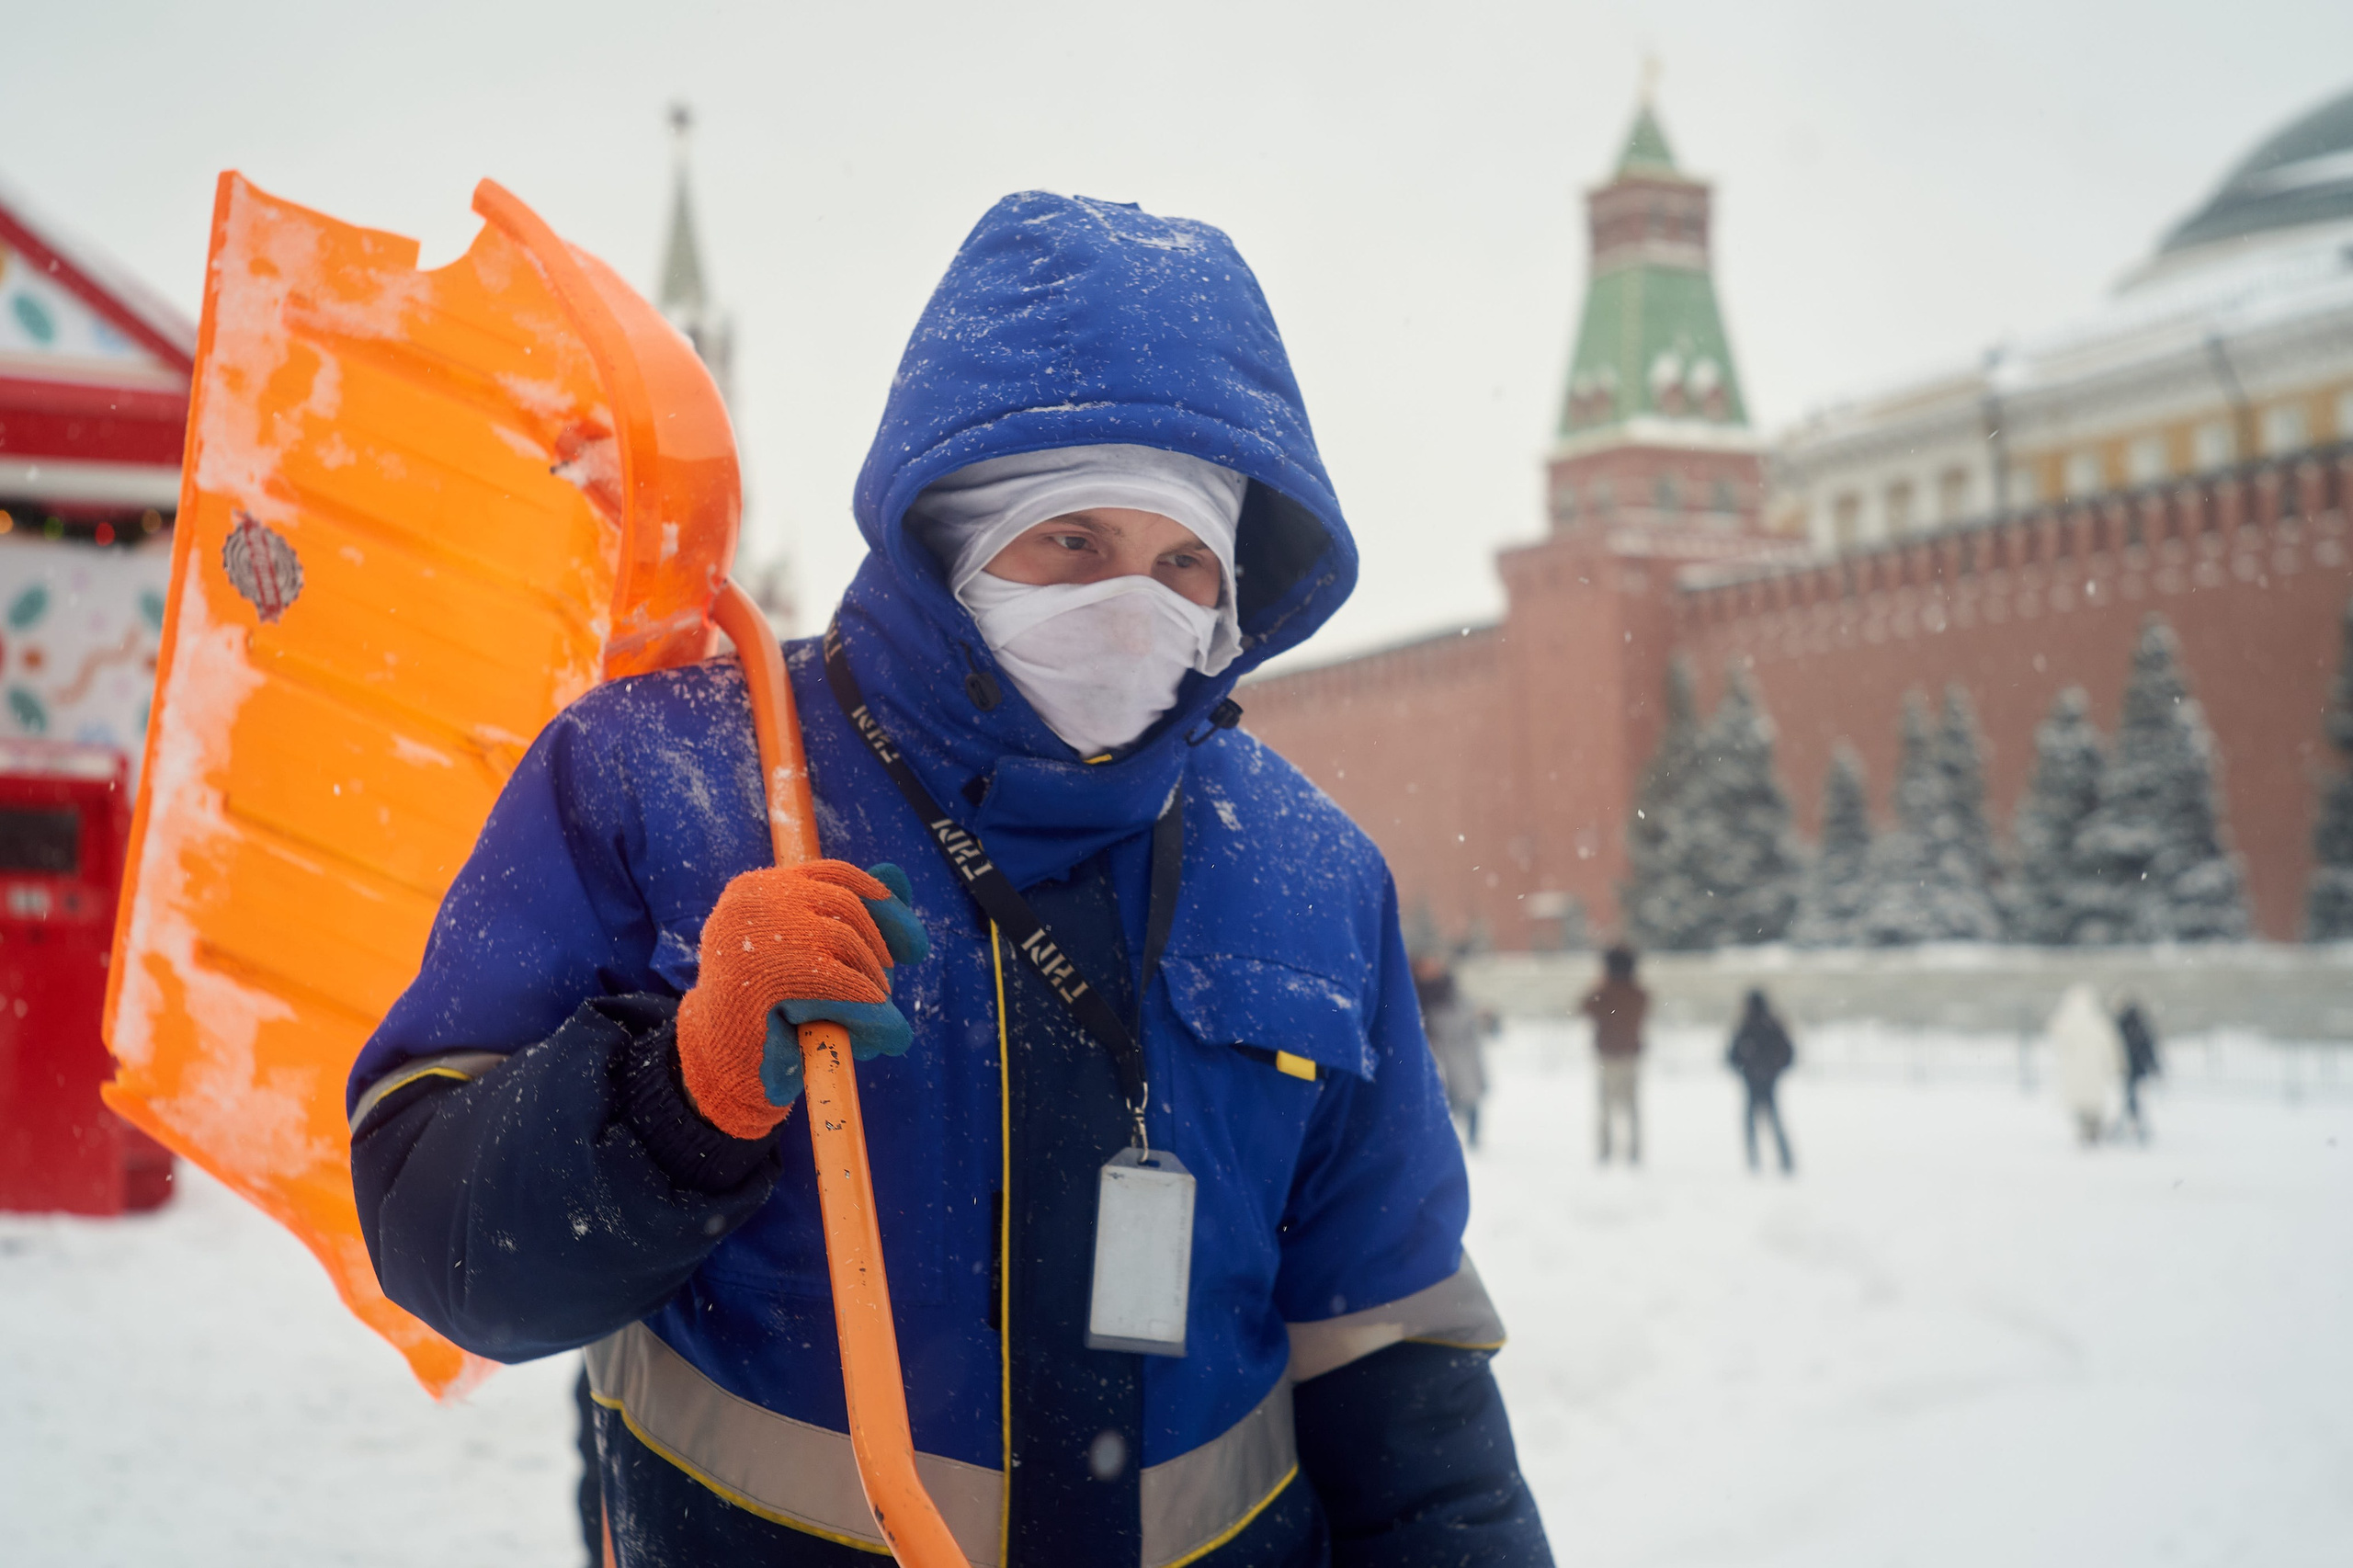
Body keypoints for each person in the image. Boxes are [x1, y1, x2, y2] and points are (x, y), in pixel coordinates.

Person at [345, 192, 1551, 1566]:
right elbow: (442, 1242)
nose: (1131, 602)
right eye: (1073, 541)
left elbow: (1404, 1379)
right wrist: (678, 1095)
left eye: (1182, 561)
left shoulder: (1311, 870)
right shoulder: (662, 782)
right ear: (950, 537)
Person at [1580, 945, 1648, 1165]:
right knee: (1632, 1107)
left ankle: (1605, 1150)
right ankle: (1634, 1152)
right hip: (1630, 1055)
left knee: (1605, 1107)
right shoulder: (1637, 993)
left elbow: (1583, 1007)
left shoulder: (1603, 992)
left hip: (1607, 1055)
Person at [1415, 955, 1488, 1148]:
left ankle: (1470, 1136)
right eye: (1426, 966)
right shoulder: (1416, 992)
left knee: (1467, 1095)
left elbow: (1464, 1013)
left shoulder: (1447, 987)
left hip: (1459, 1049)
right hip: (1435, 1051)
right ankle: (1444, 1138)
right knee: (1442, 1098)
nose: (1431, 969)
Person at [1724, 989, 1795, 1175]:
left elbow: (1732, 1055)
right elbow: (1788, 1054)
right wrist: (1771, 1070)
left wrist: (1750, 1070)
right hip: (1764, 1081)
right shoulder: (1772, 1025)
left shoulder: (1747, 1026)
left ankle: (1755, 1162)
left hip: (1756, 1081)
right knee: (1772, 1123)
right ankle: (1779, 1162)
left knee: (1756, 1124)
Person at [2047, 983, 2123, 1146]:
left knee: (2080, 1103)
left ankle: (2085, 1129)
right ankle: (2093, 1129)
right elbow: (2111, 1044)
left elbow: (2056, 1039)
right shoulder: (2098, 1020)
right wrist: (2115, 1065)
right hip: (2094, 1070)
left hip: (2074, 1071)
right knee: (2094, 1103)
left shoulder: (2064, 1020)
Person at [2116, 996, 2162, 1143]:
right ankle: (2135, 1121)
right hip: (2138, 1067)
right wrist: (2153, 1066)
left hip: (2127, 1067)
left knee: (2130, 1095)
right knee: (2133, 1095)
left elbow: (2116, 1047)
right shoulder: (2140, 1024)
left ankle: (2132, 1121)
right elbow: (2148, 1047)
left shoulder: (2121, 1025)